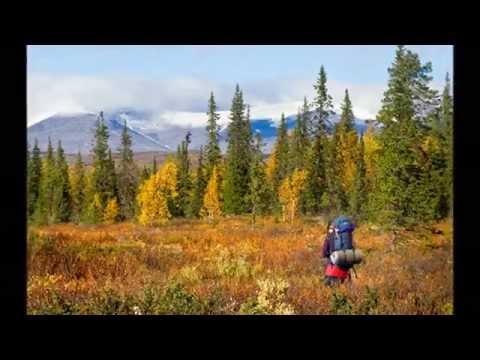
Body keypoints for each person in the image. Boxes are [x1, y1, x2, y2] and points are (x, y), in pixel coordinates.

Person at [322, 220, 350, 286]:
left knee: (330, 282)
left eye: (331, 228)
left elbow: (324, 251)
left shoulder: (329, 237)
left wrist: (326, 256)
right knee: (343, 282)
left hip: (333, 262)